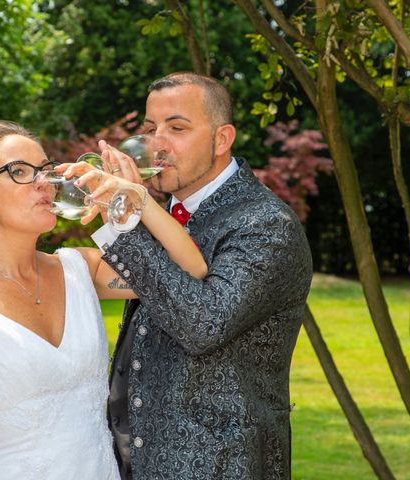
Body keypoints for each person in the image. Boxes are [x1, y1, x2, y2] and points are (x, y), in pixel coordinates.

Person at [0, 120, 207, 479]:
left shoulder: (81, 269)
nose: (43, 183)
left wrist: (132, 196)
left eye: (46, 170)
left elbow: (188, 271)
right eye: (18, 171)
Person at [99, 72, 313, 479]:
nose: (157, 143)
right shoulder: (164, 217)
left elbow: (203, 323)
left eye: (177, 128)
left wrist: (128, 211)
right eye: (150, 128)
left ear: (221, 139)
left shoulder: (266, 224)